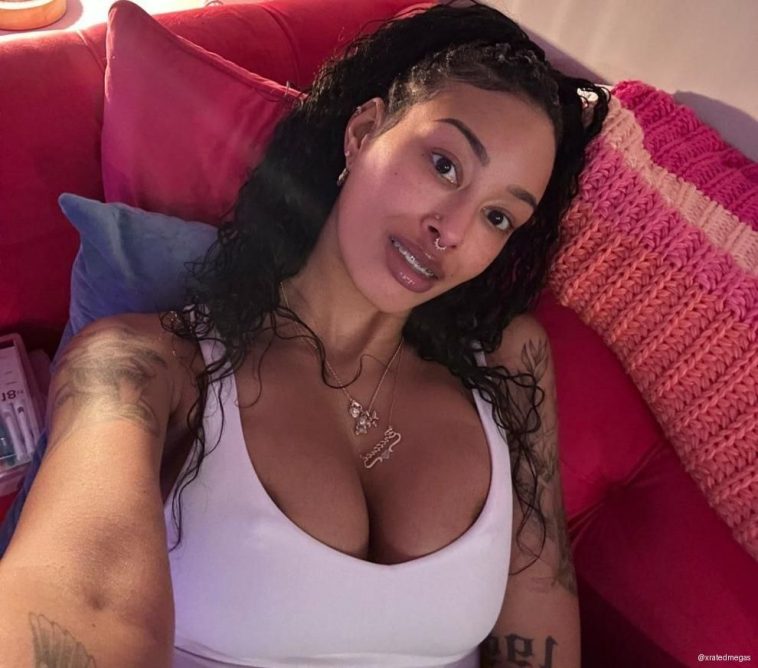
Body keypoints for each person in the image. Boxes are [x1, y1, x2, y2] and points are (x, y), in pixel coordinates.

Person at [0, 1, 608, 666]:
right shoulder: (141, 364)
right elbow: (83, 599)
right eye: (443, 165)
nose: (453, 231)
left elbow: (540, 638)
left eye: (498, 217)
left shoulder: (509, 366)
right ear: (364, 131)